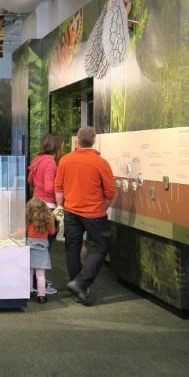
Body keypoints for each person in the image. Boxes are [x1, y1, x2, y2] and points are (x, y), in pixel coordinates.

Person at [54, 126, 115, 306]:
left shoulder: (65, 160)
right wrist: (102, 207)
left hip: (71, 211)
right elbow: (109, 192)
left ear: (77, 141)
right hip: (94, 213)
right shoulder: (101, 163)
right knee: (102, 245)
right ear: (94, 140)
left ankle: (78, 288)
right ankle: (80, 284)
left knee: (72, 248)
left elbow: (58, 187)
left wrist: (61, 206)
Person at [27, 133, 64, 296]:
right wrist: (61, 196)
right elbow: (49, 187)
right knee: (45, 245)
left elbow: (30, 179)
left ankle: (34, 281)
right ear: (57, 146)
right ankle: (39, 281)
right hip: (47, 206)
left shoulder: (38, 159)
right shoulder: (50, 162)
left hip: (34, 203)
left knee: (35, 242)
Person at [24, 197, 56, 304]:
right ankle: (41, 295)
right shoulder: (48, 220)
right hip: (42, 249)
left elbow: (23, 231)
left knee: (29, 272)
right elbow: (52, 232)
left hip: (30, 249)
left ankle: (28, 292)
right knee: (41, 275)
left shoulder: (29, 220)